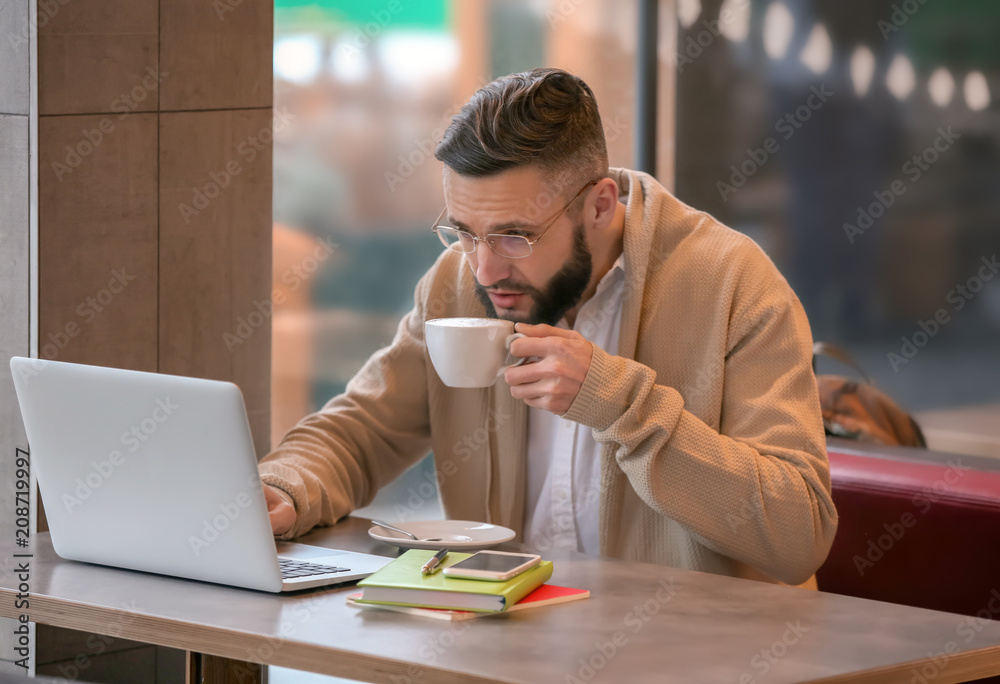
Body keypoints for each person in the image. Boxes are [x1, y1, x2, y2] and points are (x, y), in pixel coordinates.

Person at [259, 67, 838, 586]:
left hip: (688, 659)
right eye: (462, 231)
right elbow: (365, 431)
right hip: (505, 643)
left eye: (516, 235)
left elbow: (797, 538)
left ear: (601, 204)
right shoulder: (460, 280)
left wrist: (618, 405)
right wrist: (283, 488)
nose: (485, 269)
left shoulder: (734, 284)